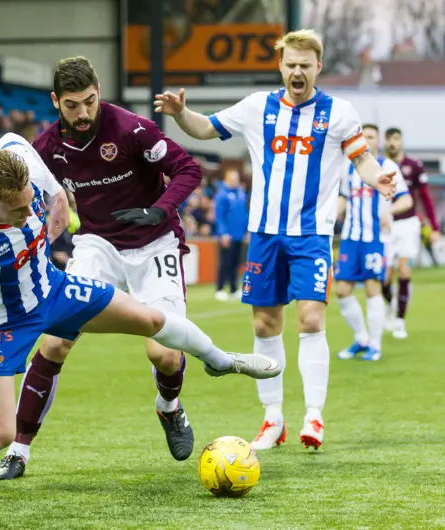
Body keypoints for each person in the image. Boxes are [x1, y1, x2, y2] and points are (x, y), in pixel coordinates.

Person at [0, 136, 281, 472]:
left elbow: (13, 137)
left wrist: (58, 193)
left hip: (52, 290)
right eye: (18, 210)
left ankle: (220, 359)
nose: (30, 213)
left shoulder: (20, 166)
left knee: (149, 319)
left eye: (33, 201)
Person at [154, 28, 397, 451]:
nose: (297, 71)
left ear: (318, 66)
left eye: (305, 64)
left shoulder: (339, 112)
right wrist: (179, 114)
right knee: (265, 323)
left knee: (310, 319)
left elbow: (363, 158)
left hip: (312, 235)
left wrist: (379, 179)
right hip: (264, 234)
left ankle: (315, 416)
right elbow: (206, 129)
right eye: (290, 64)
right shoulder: (256, 107)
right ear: (280, 66)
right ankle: (272, 419)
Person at [0, 56, 209, 480]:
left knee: (163, 353)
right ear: (56, 102)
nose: (84, 112)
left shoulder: (130, 128)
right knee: (54, 344)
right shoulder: (47, 148)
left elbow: (188, 168)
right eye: (73, 105)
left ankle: (169, 408)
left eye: (90, 101)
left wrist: (159, 211)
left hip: (154, 244)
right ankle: (18, 451)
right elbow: (26, 197)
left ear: (99, 91)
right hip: (96, 245)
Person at [334, 124, 413, 362]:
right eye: (363, 137)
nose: (367, 141)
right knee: (342, 291)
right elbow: (344, 198)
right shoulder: (347, 167)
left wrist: (390, 212)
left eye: (371, 137)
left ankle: (375, 345)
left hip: (374, 239)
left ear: (377, 142)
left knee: (372, 288)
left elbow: (406, 200)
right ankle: (361, 339)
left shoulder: (388, 167)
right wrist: (329, 218)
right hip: (350, 237)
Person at [383, 127, 440, 339]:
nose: (392, 143)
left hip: (407, 223)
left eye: (396, 139)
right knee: (384, 276)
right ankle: (391, 305)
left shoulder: (413, 166)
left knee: (405, 271)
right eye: (389, 139)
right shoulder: (380, 166)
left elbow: (424, 197)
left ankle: (399, 321)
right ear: (385, 141)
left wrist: (434, 228)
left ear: (401, 141)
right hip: (386, 226)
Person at [214, 168, 249, 301]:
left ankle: (234, 288)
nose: (235, 181)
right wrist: (223, 233)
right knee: (225, 263)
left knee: (236, 263)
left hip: (239, 234)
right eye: (233, 178)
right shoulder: (222, 194)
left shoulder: (241, 193)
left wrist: (246, 230)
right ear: (227, 179)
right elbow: (220, 216)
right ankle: (220, 288)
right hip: (227, 235)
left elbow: (244, 214)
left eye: (237, 178)